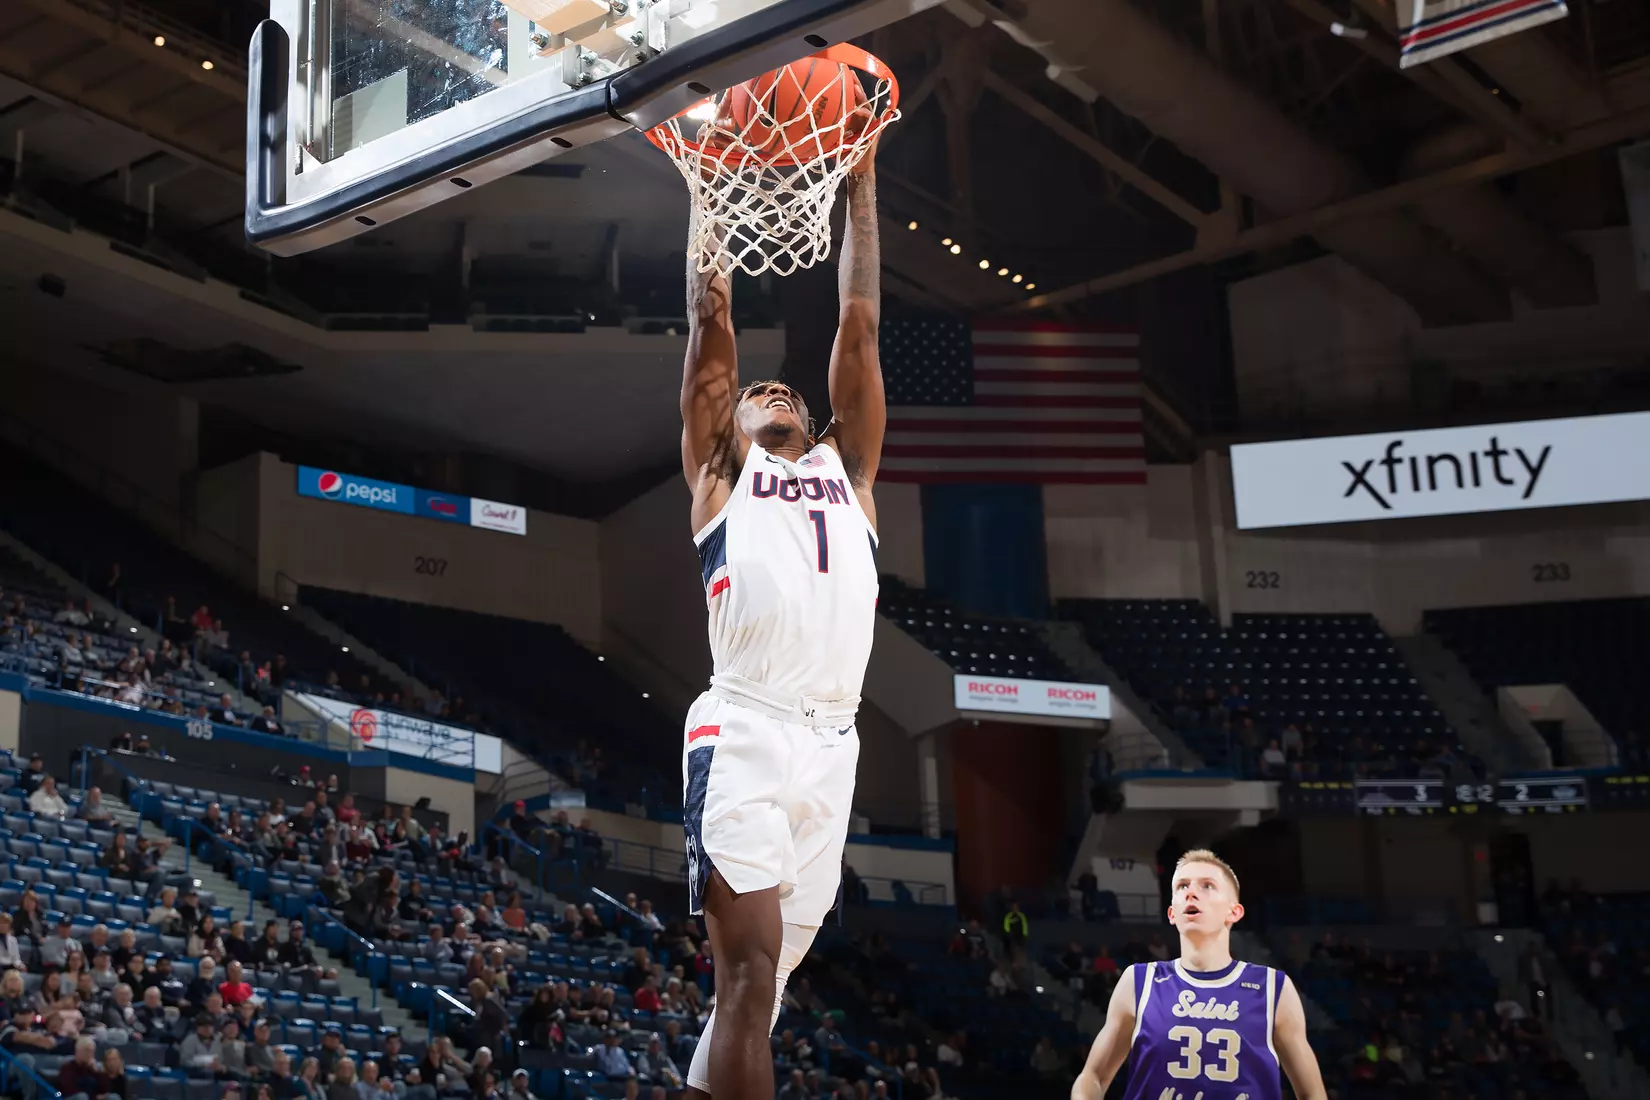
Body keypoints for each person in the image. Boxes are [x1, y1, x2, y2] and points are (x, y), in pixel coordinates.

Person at [675, 131, 886, 1100]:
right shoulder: (723, 474)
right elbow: (711, 320)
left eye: (787, 389)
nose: (773, 388)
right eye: (756, 391)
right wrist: (707, 184)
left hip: (835, 742)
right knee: (748, 982)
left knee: (759, 1001)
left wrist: (862, 177)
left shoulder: (851, 474)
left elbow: (858, 325)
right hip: (747, 727)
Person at [1070, 849, 1327, 1100]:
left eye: (1207, 886)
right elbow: (1093, 1077)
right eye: (1182, 886)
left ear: (1234, 912)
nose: (1191, 892)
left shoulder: (1272, 988)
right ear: (1172, 913)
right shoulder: (1139, 982)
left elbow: (1312, 1093)